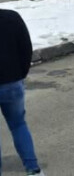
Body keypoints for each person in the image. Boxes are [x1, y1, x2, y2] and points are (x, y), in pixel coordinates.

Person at [0, 9, 44, 175]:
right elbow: (26, 48)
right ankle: (33, 170)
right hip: (13, 82)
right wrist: (20, 74)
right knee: (18, 125)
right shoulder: (12, 17)